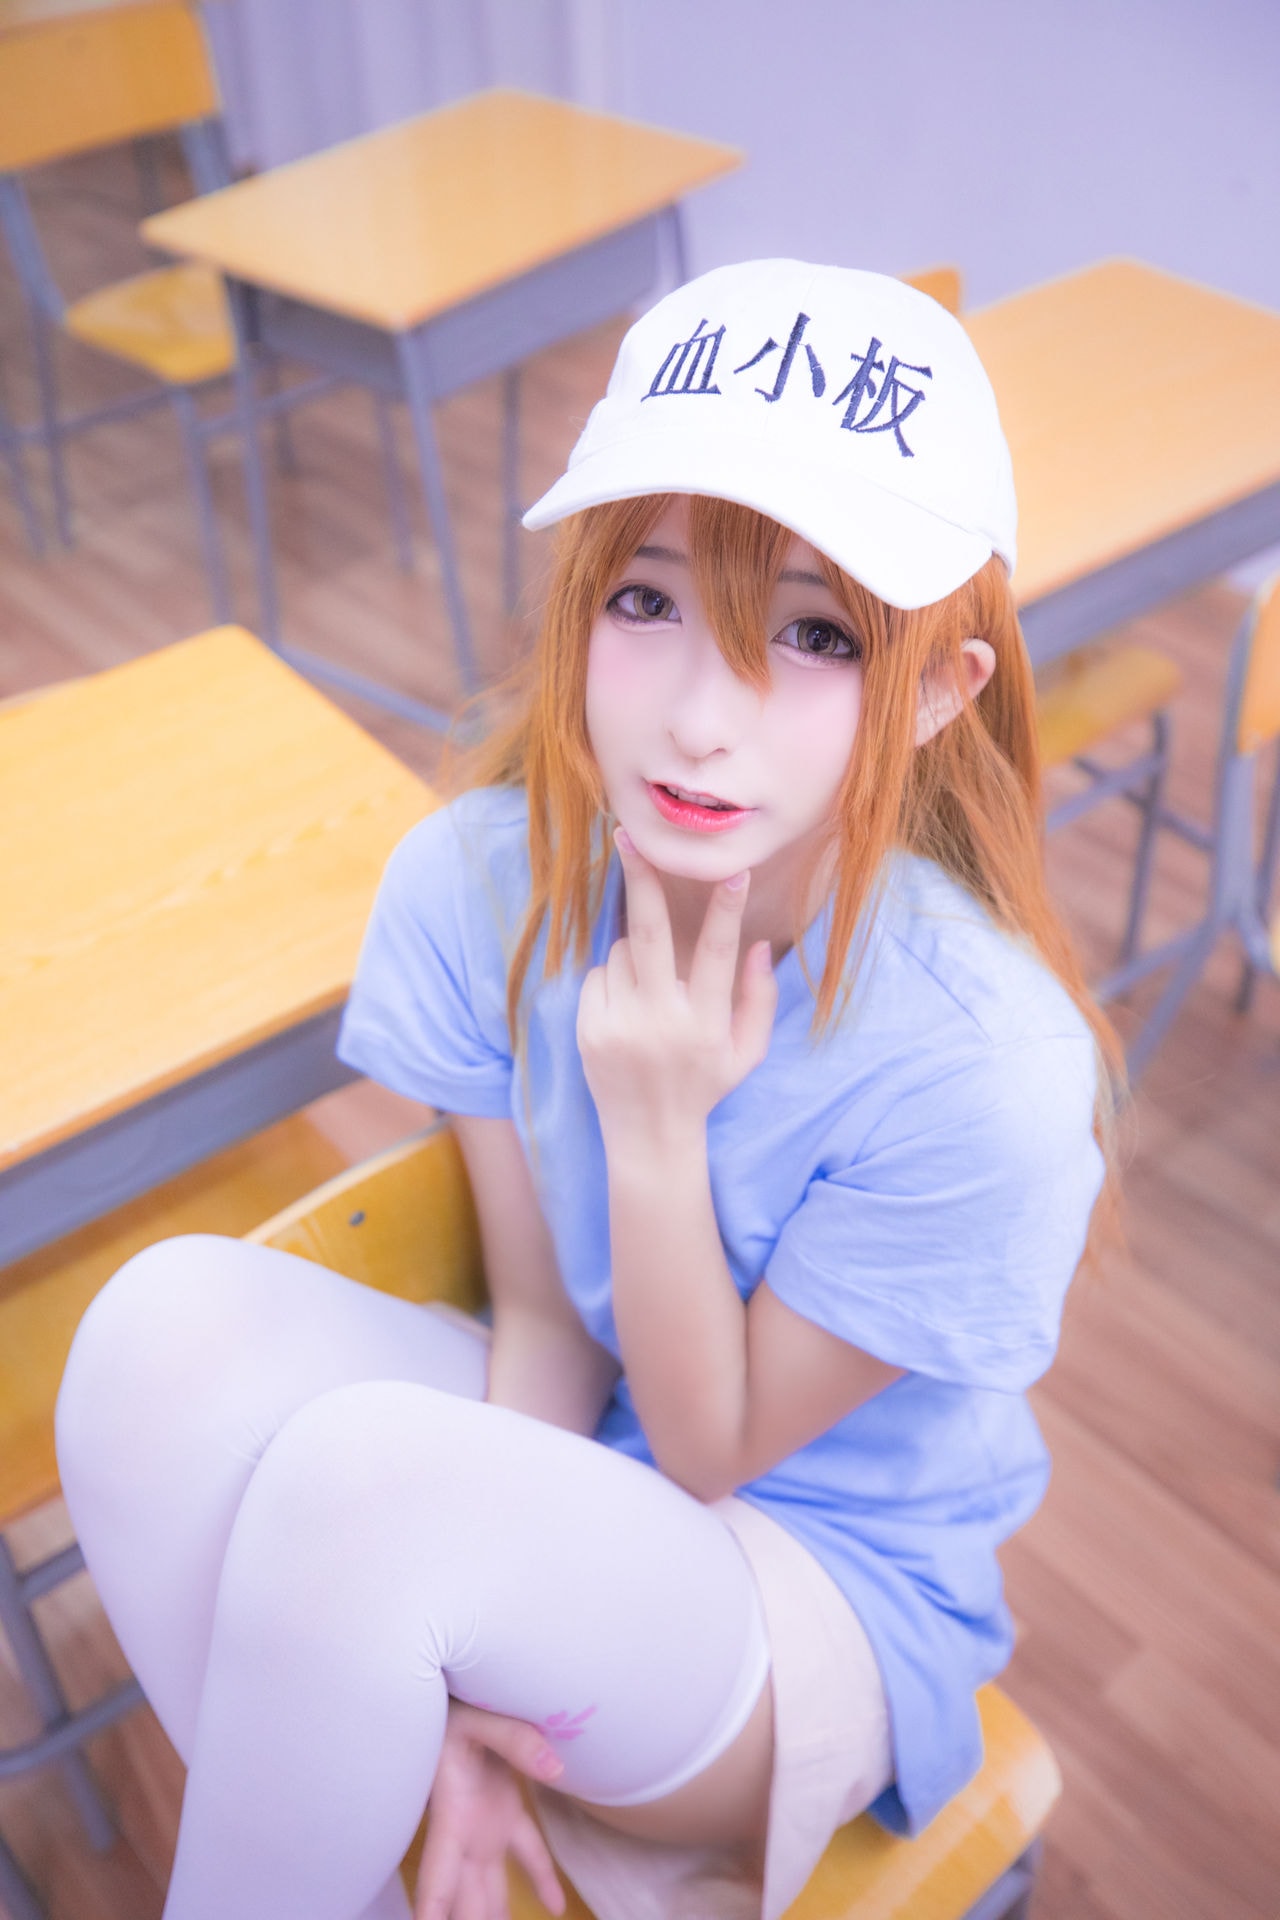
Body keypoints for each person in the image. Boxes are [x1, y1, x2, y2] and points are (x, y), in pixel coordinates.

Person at [56, 261, 1118, 1920]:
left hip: (814, 1577)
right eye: (647, 601)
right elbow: (550, 1315)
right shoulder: (484, 883)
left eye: (817, 636)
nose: (700, 717)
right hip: (593, 1459)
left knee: (359, 1496)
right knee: (154, 1333)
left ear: (934, 691)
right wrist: (467, 1654)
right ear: (577, 608)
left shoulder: (991, 1069)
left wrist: (655, 1123)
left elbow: (712, 1448)